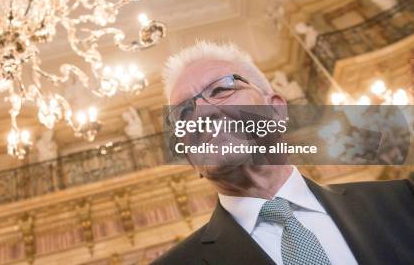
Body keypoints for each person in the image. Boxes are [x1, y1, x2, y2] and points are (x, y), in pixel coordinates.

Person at [152, 41, 414, 265]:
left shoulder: (401, 201)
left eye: (220, 89)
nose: (202, 112)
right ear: (189, 156)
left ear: (276, 110)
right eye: (184, 112)